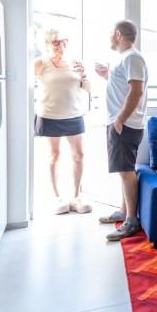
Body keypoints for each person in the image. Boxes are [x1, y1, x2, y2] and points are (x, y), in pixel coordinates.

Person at [94, 20, 148, 241]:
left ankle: (131, 220)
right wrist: (107, 75)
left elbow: (136, 91)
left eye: (110, 33)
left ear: (118, 34)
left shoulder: (133, 57)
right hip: (120, 123)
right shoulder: (125, 58)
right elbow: (124, 87)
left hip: (125, 124)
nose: (109, 37)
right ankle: (124, 211)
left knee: (126, 171)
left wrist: (120, 119)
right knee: (122, 169)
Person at [34, 28, 92, 214]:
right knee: (54, 155)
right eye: (56, 42)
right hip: (50, 115)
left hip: (74, 114)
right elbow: (25, 87)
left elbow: (88, 88)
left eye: (63, 40)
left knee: (79, 155)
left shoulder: (75, 62)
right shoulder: (40, 63)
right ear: (47, 44)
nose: (61, 45)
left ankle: (76, 197)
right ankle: (56, 197)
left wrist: (84, 75)